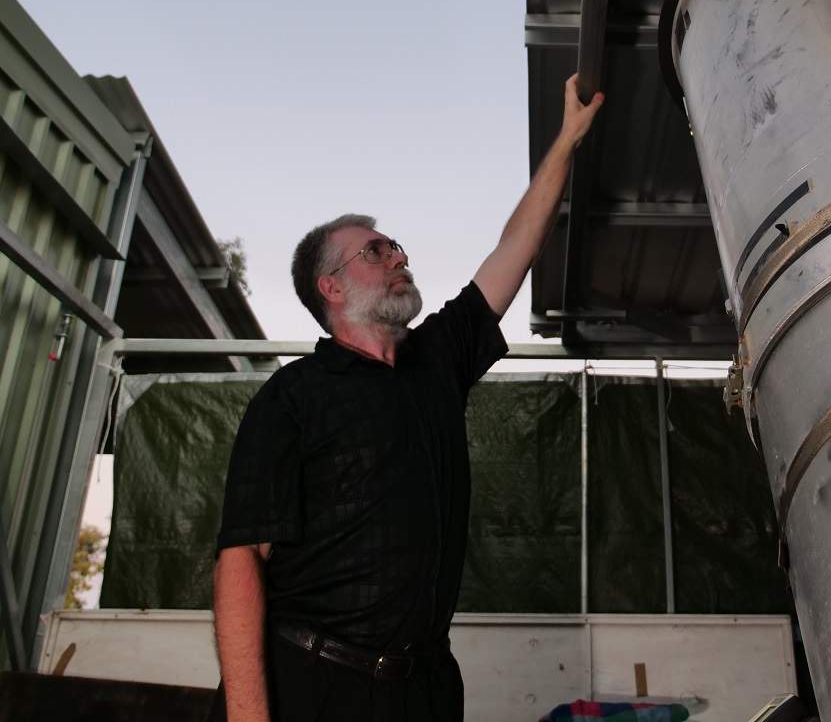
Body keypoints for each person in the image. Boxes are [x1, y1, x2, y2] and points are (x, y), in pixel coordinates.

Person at [213, 74, 603, 722]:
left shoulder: (436, 361)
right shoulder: (292, 399)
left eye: (395, 245)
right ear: (331, 287)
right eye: (374, 250)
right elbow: (239, 562)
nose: (397, 255)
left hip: (421, 693)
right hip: (312, 688)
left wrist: (565, 141)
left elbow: (515, 247)